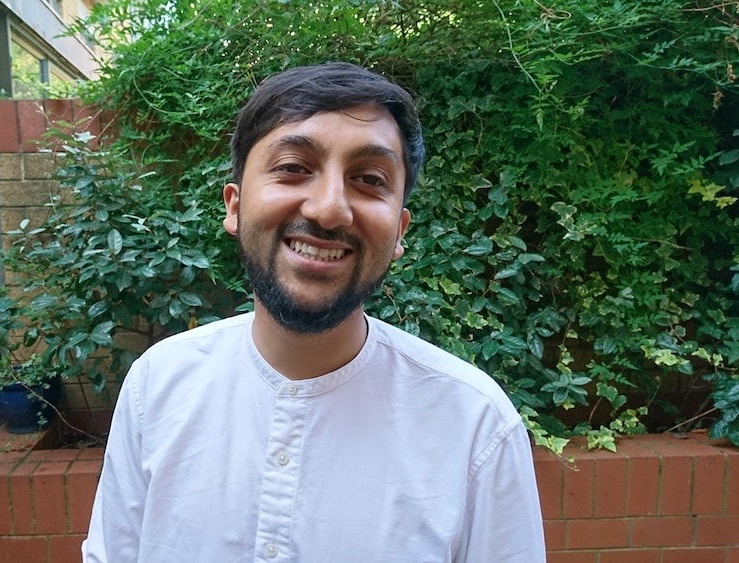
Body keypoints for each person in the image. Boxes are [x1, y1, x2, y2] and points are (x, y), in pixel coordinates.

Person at [82, 61, 546, 562]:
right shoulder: (158, 384)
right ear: (234, 207)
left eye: (369, 179)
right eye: (293, 168)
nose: (328, 209)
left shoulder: (475, 425)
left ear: (400, 233)